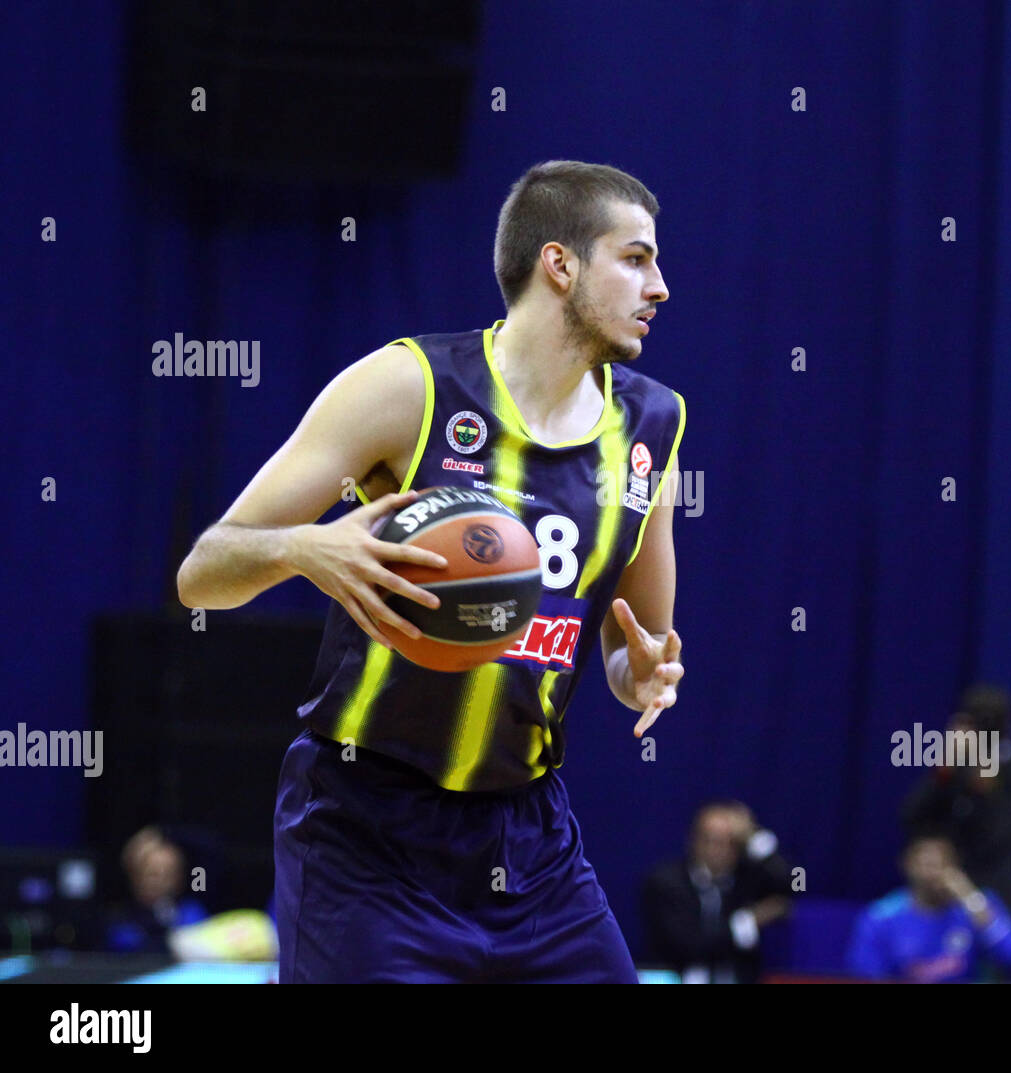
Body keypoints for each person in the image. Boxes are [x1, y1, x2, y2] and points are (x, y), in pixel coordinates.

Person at [177, 160, 686, 983]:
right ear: (560, 264)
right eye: (635, 258)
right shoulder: (410, 386)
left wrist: (642, 672)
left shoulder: (653, 425)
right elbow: (203, 571)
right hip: (365, 829)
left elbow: (637, 646)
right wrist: (304, 549)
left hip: (530, 844)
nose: (659, 285)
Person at [900, 682, 1011, 921]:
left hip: (987, 896)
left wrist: (981, 778)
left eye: (982, 726)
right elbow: (912, 818)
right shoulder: (951, 768)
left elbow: (996, 839)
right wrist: (945, 769)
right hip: (937, 896)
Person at [845, 831, 1011, 983]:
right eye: (927, 864)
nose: (934, 873)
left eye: (943, 864)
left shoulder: (975, 905)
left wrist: (970, 898)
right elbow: (866, 974)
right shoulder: (881, 916)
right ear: (907, 865)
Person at [642, 801, 792, 983]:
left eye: (730, 842)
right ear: (693, 840)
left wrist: (756, 839)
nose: (718, 850)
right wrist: (748, 922)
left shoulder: (747, 881)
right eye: (710, 840)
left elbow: (796, 884)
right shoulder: (665, 883)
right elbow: (689, 945)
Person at [103, 825, 208, 955]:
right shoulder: (120, 920)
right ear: (135, 876)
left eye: (169, 874)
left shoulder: (190, 911)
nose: (161, 882)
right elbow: (125, 947)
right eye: (153, 874)